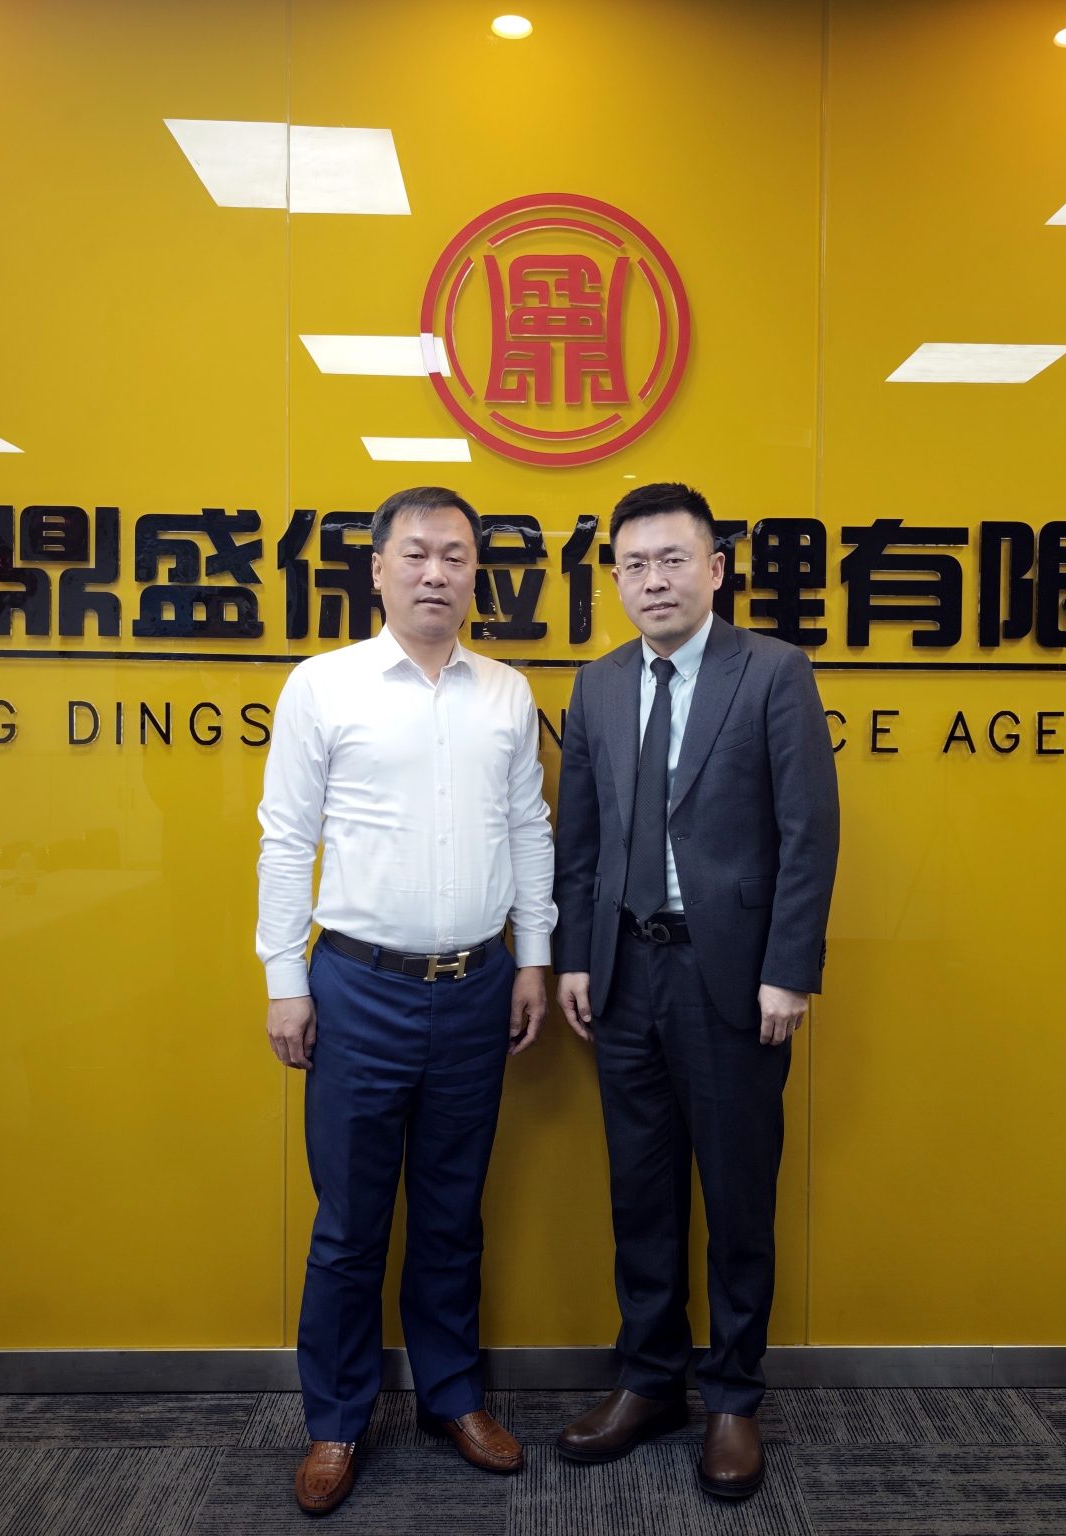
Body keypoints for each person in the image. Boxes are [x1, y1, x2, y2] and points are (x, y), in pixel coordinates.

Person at [256, 486, 554, 1516]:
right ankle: (336, 1420)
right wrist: (284, 980)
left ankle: (452, 1397)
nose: (436, 573)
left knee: (452, 1212)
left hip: (476, 986)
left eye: (456, 556)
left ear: (475, 575)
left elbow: (528, 829)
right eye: (417, 553)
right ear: (377, 567)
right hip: (356, 990)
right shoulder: (323, 685)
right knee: (349, 1223)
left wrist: (532, 959)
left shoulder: (506, 692)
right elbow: (285, 839)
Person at [552, 481, 840, 1499]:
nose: (653, 580)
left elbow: (809, 833)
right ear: (616, 580)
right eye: (633, 564)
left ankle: (732, 1398)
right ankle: (649, 1381)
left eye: (672, 559)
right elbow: (580, 838)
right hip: (624, 973)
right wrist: (576, 956)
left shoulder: (772, 672)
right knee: (640, 1193)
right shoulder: (596, 685)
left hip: (733, 980)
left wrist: (787, 971)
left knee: (737, 1195)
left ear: (714, 569)